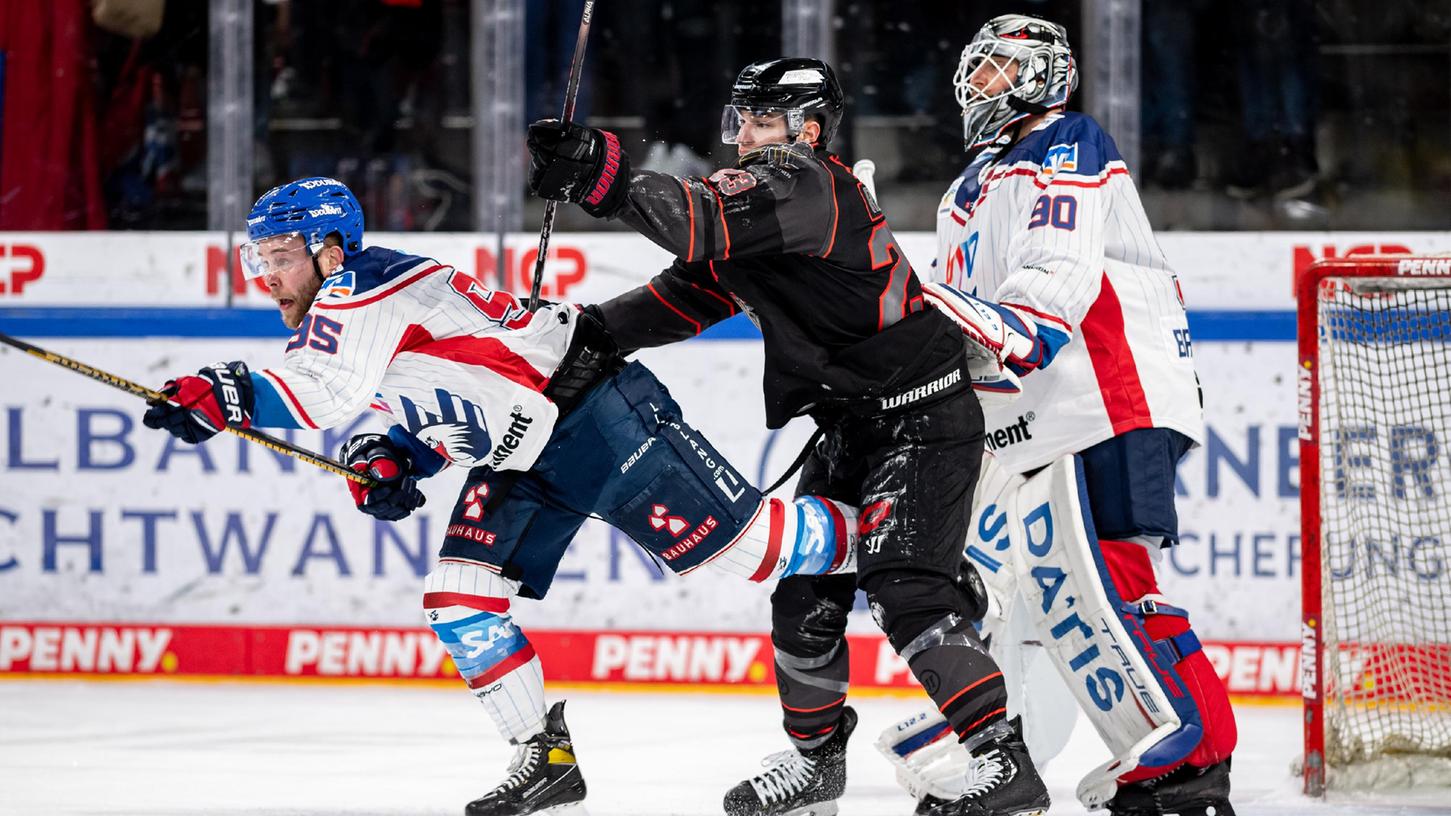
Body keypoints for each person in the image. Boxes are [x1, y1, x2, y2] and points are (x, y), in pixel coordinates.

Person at [140, 176, 865, 816]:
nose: (267, 276)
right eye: (258, 260)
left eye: (280, 256)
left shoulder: (359, 288)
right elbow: (451, 402)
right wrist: (397, 458)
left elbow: (323, 393)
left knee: (750, 552)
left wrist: (225, 392)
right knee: (459, 596)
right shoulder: (361, 304)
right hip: (526, 450)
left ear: (331, 248)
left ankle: (899, 540)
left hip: (597, 419)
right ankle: (544, 757)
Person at [526, 58, 1048, 816]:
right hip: (850, 424)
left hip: (922, 418)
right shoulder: (763, 211)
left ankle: (1005, 765)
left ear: (805, 130)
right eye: (738, 118)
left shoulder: (806, 183)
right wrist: (587, 338)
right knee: (802, 600)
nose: (742, 135)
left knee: (905, 587)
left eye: (761, 118)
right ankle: (814, 763)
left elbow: (689, 219)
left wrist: (598, 174)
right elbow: (684, 295)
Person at [906, 14, 1238, 816]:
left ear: (1039, 75)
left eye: (995, 69)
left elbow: (1051, 279)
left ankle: (1193, 758)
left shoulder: (1064, 139)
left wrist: (1009, 328)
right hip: (1028, 419)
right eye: (975, 68)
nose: (974, 83)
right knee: (1030, 599)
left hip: (1106, 394)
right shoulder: (965, 188)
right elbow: (963, 315)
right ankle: (1005, 768)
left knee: (1114, 581)